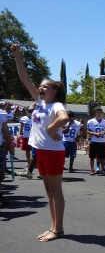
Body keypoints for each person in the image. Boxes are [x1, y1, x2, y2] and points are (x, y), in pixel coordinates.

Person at [11, 43, 70, 242]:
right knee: (48, 191)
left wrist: (52, 128)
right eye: (41, 86)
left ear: (55, 91)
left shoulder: (56, 105)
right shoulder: (39, 101)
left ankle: (58, 228)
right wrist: (18, 56)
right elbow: (24, 78)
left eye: (46, 86)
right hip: (41, 150)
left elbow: (64, 118)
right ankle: (53, 226)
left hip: (52, 152)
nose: (41, 87)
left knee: (56, 191)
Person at [86, 108, 105, 175]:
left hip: (102, 141)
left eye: (100, 113)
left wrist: (104, 132)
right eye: (97, 112)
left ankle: (103, 169)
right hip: (94, 141)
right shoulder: (90, 121)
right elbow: (88, 131)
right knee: (92, 157)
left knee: (102, 157)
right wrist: (95, 134)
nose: (99, 114)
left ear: (102, 113)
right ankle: (92, 170)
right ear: (95, 113)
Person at [18, 105, 33, 172]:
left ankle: (33, 163)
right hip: (26, 136)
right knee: (27, 151)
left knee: (34, 151)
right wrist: (20, 134)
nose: (30, 112)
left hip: (33, 137)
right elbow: (21, 127)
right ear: (26, 111)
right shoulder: (23, 118)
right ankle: (28, 163)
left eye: (31, 111)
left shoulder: (34, 118)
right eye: (29, 111)